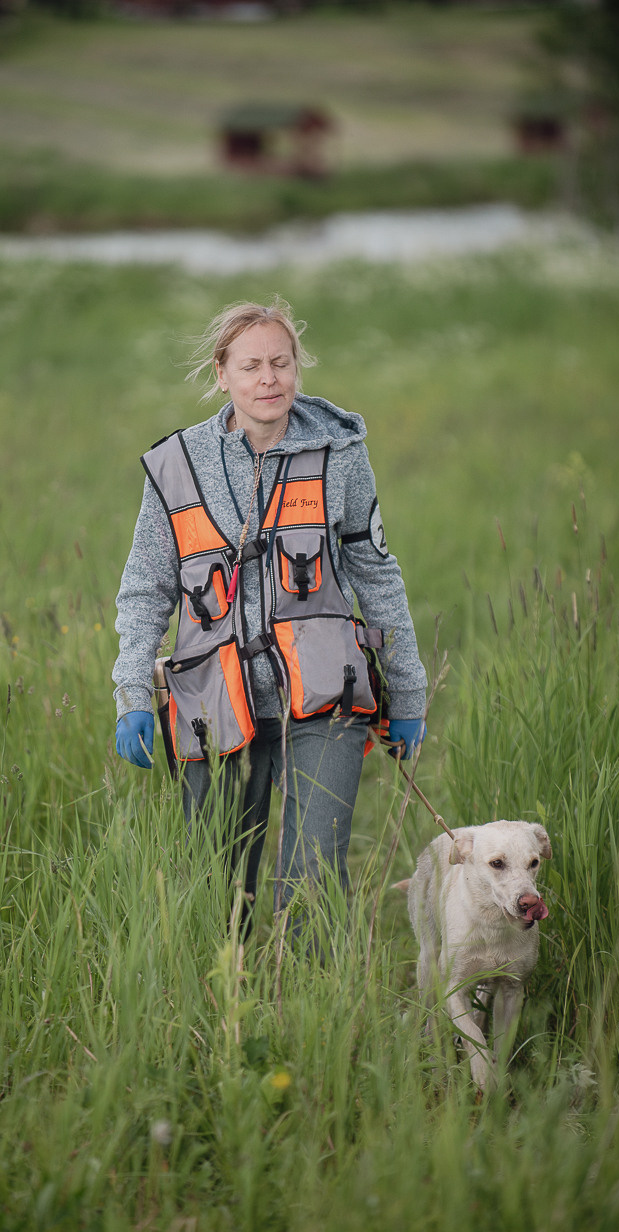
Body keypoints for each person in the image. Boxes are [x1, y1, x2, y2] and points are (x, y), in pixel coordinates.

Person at [112, 299, 427, 938]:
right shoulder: (175, 467)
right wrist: (131, 696)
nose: (269, 379)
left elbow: (377, 574)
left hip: (326, 697)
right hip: (213, 701)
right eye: (251, 365)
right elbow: (145, 591)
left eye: (280, 363)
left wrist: (408, 691)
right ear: (221, 372)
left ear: (296, 369)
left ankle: (313, 1018)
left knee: (312, 879)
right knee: (218, 879)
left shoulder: (341, 453)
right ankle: (223, 1011)